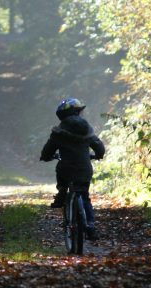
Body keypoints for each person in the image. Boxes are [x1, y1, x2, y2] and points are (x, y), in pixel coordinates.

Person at [39, 97, 105, 241]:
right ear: (77, 113)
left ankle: (62, 192)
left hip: (66, 168)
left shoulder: (59, 132)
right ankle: (91, 226)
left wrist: (46, 157)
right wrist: (98, 155)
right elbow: (99, 146)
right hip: (84, 168)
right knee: (85, 196)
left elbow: (48, 150)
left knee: (61, 172)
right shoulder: (87, 129)